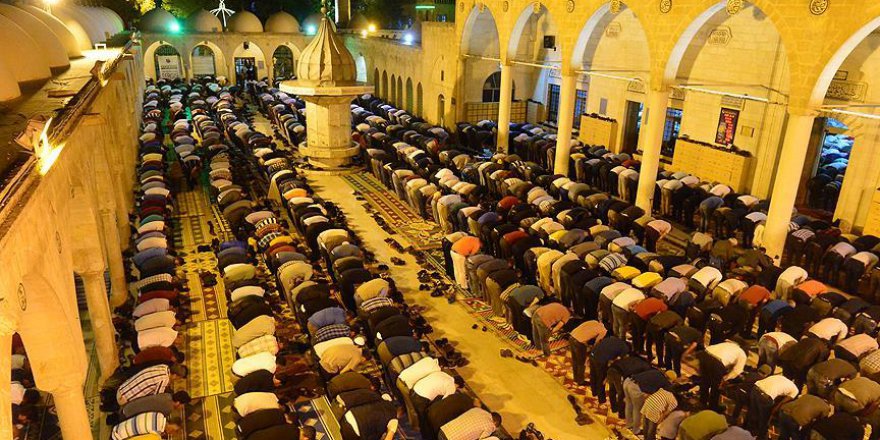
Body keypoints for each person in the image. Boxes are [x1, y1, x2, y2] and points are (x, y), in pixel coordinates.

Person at [746, 374, 799, 439]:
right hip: (765, 396)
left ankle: (747, 433)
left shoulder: (781, 378)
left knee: (753, 414)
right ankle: (760, 437)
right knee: (763, 421)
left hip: (755, 388)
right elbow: (783, 402)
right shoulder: (795, 391)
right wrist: (775, 409)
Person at [697, 341, 746, 409]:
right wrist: (725, 378)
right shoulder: (742, 354)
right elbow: (737, 371)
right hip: (717, 362)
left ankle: (702, 402)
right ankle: (713, 407)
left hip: (705, 354)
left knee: (705, 381)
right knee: (716, 387)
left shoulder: (729, 344)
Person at [567, 320, 607, 385]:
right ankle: (580, 381)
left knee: (575, 360)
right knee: (581, 363)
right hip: (579, 342)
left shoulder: (594, 321)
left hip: (571, 337)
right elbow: (597, 343)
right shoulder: (603, 331)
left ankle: (576, 378)